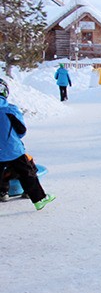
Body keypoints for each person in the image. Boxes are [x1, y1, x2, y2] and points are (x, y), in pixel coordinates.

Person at [0, 79, 55, 210]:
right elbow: (21, 131)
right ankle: (39, 199)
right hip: (12, 149)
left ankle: (3, 192)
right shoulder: (10, 109)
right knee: (27, 173)